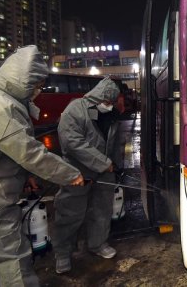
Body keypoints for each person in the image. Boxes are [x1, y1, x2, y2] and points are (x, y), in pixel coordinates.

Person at [0, 45, 84, 287]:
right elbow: (29, 152)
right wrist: (70, 174)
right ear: (24, 79)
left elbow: (1, 150)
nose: (38, 91)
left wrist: (27, 178)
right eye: (37, 84)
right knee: (15, 264)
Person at [53, 76, 123, 274]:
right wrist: (104, 163)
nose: (109, 106)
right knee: (70, 213)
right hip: (77, 172)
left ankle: (98, 244)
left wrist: (116, 165)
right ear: (98, 98)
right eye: (107, 102)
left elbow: (115, 142)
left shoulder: (111, 114)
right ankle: (63, 253)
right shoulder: (75, 110)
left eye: (111, 102)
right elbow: (72, 143)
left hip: (106, 172)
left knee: (102, 210)